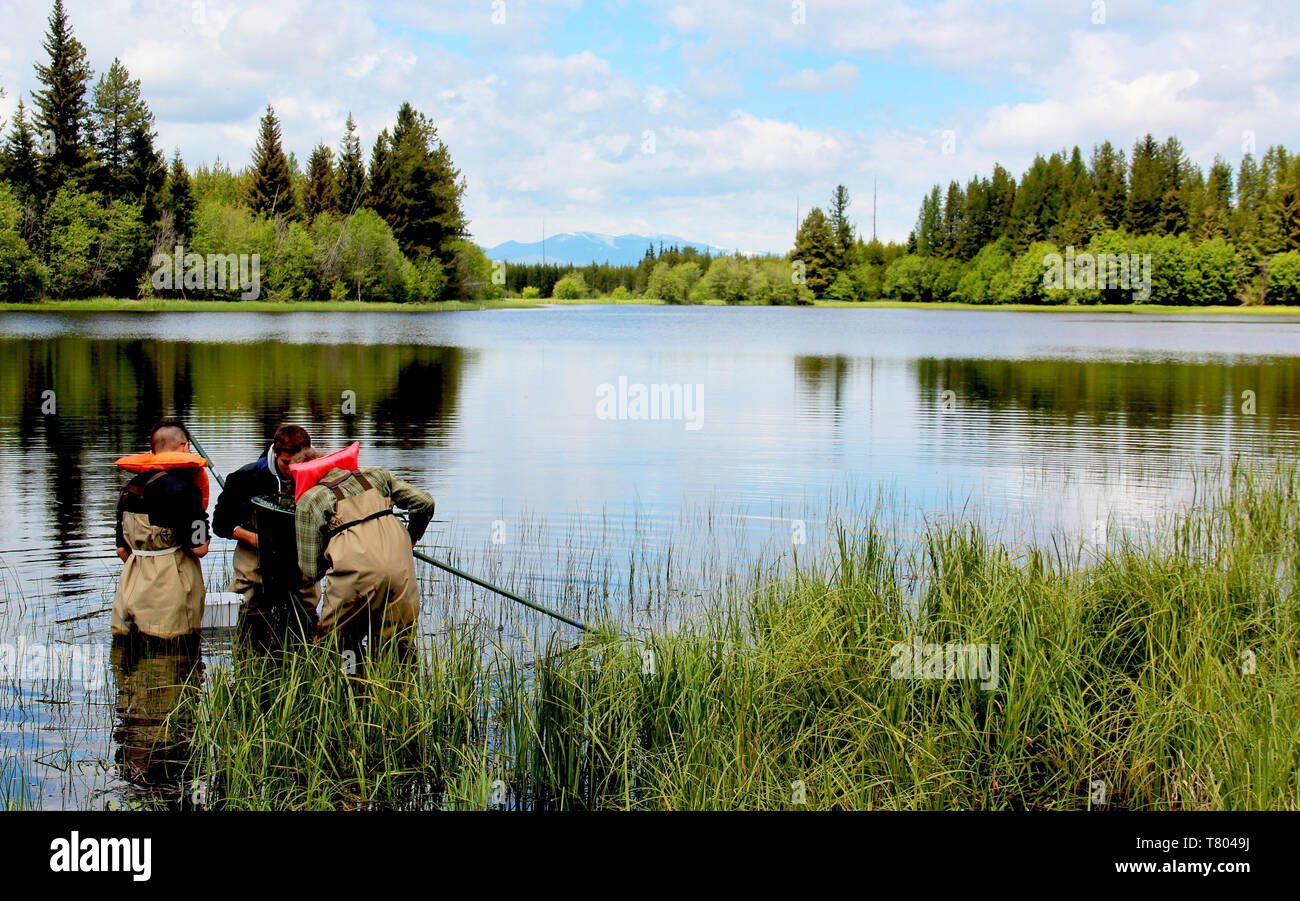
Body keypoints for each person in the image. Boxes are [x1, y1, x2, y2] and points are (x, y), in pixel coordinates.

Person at [290, 447, 435, 656]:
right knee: (397, 650)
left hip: (353, 582)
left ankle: (347, 684)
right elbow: (425, 503)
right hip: (401, 574)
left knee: (336, 649)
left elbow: (312, 571)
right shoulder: (376, 475)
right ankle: (396, 687)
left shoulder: (310, 500)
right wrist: (411, 538)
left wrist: (331, 552)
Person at [212, 425, 319, 636]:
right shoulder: (245, 478)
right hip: (255, 558)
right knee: (249, 611)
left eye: (298, 464)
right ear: (275, 453)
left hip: (299, 557)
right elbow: (220, 524)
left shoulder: (318, 478)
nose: (291, 469)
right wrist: (255, 539)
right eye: (286, 463)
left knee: (304, 614)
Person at [111, 418, 211, 640]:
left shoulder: (129, 489)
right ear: (185, 448)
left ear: (152, 450)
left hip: (131, 583)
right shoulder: (186, 491)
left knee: (130, 658)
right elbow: (200, 549)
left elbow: (121, 550)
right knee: (172, 658)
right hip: (169, 587)